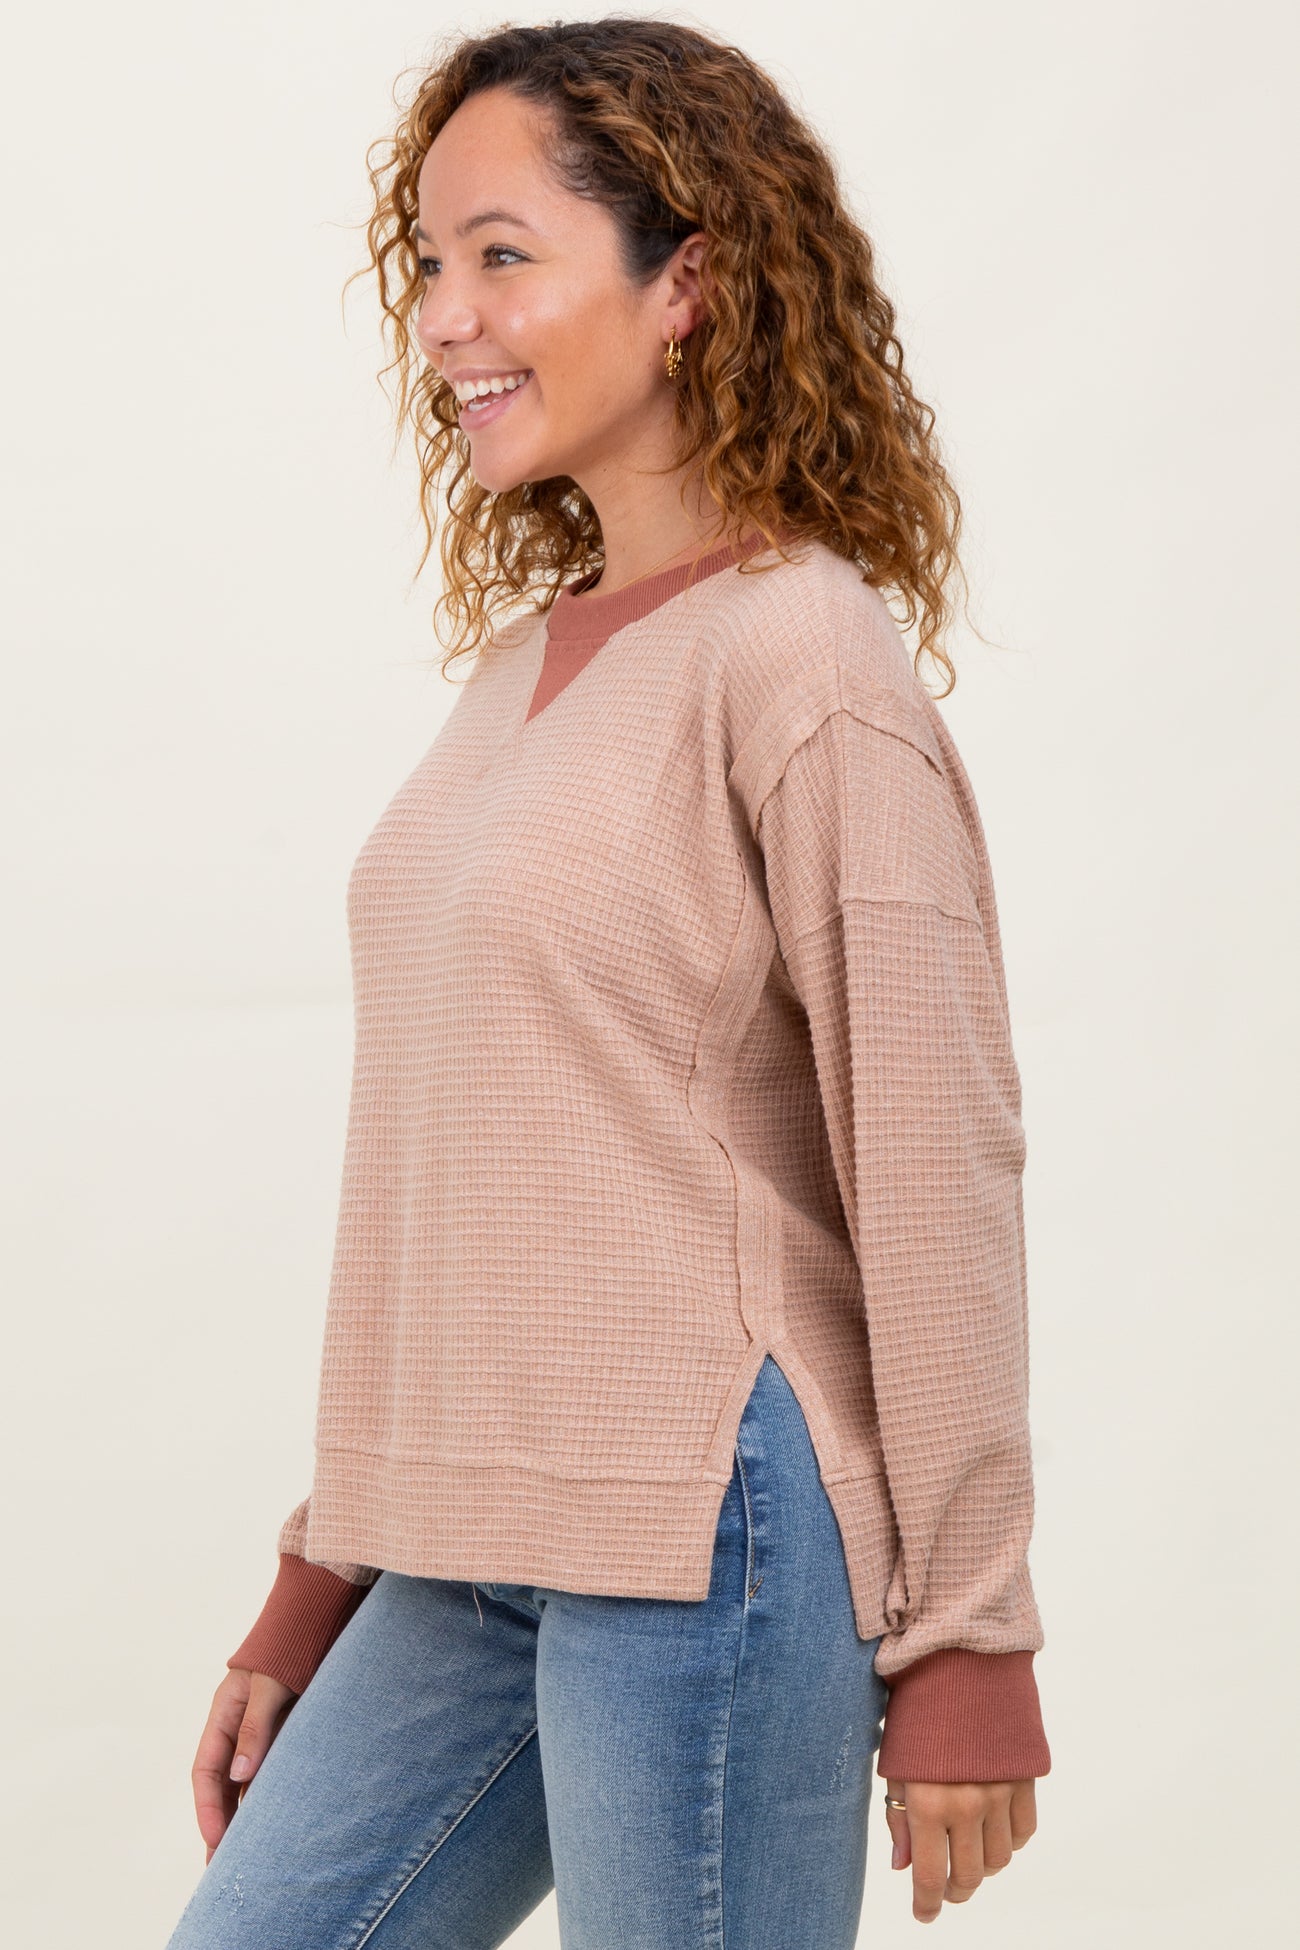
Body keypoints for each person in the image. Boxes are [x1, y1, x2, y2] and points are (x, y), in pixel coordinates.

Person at [166, 18, 1051, 1947]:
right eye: (427, 262)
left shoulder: (801, 653)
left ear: (688, 288)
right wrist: (324, 1566)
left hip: (707, 1530)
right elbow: (437, 1155)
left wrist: (974, 1634)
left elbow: (934, 1156)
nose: (445, 316)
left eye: (503, 253)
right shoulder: (524, 670)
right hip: (467, 1539)